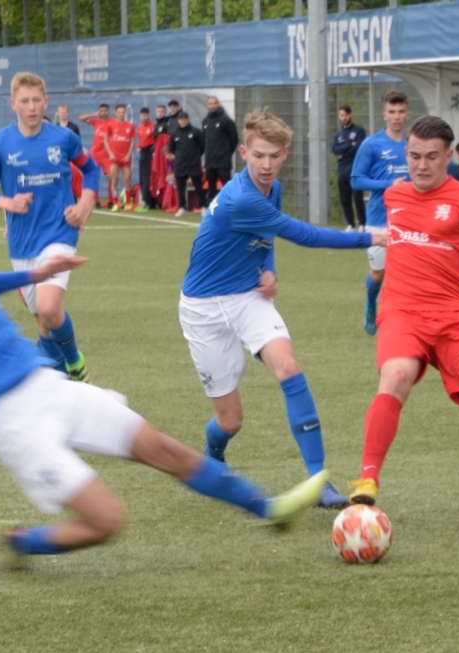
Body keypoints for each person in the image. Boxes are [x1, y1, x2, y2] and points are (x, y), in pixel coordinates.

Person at [0, 196, 329, 567]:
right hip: (12, 423)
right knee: (108, 522)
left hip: (48, 385)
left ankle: (269, 509)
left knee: (161, 448)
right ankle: (21, 542)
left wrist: (38, 273)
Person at [179, 109, 388, 509]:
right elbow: (305, 236)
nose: (266, 164)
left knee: (289, 368)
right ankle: (213, 454)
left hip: (247, 297)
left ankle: (318, 481)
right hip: (203, 309)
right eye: (258, 155)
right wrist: (373, 237)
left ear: (286, 153)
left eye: (274, 156)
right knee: (230, 421)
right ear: (243, 153)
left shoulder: (269, 188)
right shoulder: (242, 197)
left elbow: (266, 237)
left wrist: (268, 268)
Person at [346, 116, 459, 538]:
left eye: (430, 157)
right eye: (414, 156)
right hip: (402, 311)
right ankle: (367, 478)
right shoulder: (394, 194)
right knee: (395, 375)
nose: (421, 165)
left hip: (455, 318)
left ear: (448, 157)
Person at [0, 71, 95, 382]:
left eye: (37, 100)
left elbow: (91, 170)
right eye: (25, 101)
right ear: (12, 103)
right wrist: (7, 203)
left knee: (48, 306)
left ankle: (75, 363)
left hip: (59, 233)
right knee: (43, 321)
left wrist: (84, 204)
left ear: (46, 102)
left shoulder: (64, 138)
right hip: (21, 241)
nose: (31, 107)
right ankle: (57, 379)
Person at [351, 91, 410, 336]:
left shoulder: (414, 143)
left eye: (401, 112)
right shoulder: (371, 144)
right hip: (379, 218)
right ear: (384, 114)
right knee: (378, 273)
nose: (396, 117)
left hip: (410, 219)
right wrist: (389, 185)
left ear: (407, 114)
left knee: (409, 275)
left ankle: (402, 319)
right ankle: (370, 303)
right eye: (392, 112)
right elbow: (356, 180)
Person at [331, 104, 367, 232]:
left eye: (346, 115)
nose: (344, 118)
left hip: (356, 169)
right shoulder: (338, 135)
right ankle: (351, 224)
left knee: (357, 198)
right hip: (342, 170)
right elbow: (335, 150)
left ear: (350, 115)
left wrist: (344, 152)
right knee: (345, 198)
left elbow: (359, 148)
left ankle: (362, 224)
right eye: (341, 115)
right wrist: (349, 145)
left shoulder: (359, 131)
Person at [78, 103, 116, 207]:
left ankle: (111, 200)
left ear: (109, 111)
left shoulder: (113, 122)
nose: (103, 112)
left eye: (105, 110)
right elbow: (81, 118)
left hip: (107, 154)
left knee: (111, 177)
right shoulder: (96, 122)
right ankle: (96, 200)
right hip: (95, 153)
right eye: (101, 111)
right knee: (94, 176)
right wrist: (94, 114)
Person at [169, 111, 206, 217]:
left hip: (193, 164)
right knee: (181, 187)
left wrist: (195, 155)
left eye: (185, 119)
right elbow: (172, 148)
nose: (183, 121)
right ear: (178, 121)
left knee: (198, 186)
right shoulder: (175, 134)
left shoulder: (196, 132)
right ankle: (182, 207)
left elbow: (202, 146)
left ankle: (203, 207)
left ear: (188, 119)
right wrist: (179, 156)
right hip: (180, 164)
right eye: (181, 119)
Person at [202, 96, 239, 197]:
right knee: (211, 188)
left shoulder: (226, 120)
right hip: (210, 162)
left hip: (223, 162)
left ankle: (231, 204)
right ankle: (212, 205)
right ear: (207, 105)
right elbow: (205, 139)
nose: (213, 106)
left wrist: (227, 153)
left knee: (227, 186)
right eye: (210, 104)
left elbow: (234, 139)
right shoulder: (205, 121)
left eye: (215, 103)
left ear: (218, 104)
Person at [108, 103, 136, 212]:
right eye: (119, 112)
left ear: (126, 113)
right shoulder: (111, 125)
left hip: (126, 158)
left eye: (123, 112)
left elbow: (132, 141)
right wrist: (110, 153)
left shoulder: (130, 126)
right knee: (114, 180)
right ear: (116, 113)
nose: (121, 114)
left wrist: (128, 155)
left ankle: (128, 203)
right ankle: (116, 202)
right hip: (114, 158)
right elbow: (105, 140)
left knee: (127, 180)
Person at [136, 106, 157, 211]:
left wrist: (153, 151)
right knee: (142, 177)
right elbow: (141, 139)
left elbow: (156, 140)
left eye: (145, 115)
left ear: (148, 115)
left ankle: (148, 201)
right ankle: (146, 200)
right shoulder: (140, 127)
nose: (144, 117)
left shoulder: (153, 126)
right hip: (143, 152)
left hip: (150, 152)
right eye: (142, 115)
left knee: (147, 177)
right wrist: (138, 146)